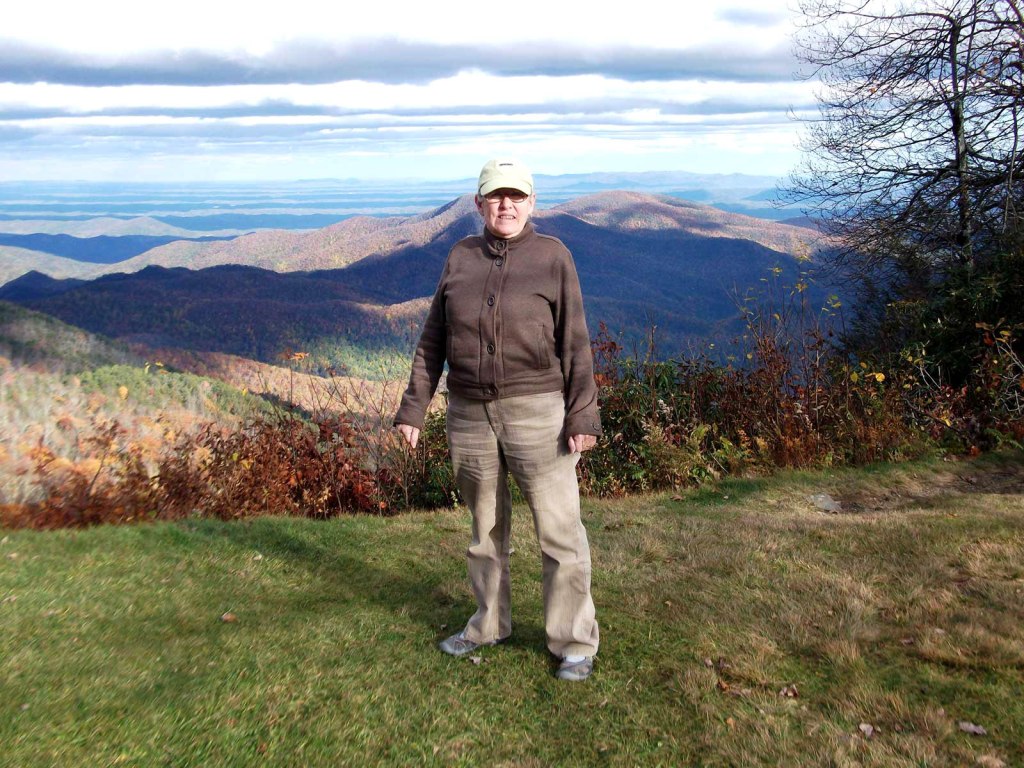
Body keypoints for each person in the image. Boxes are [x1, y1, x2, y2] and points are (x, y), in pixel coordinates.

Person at [393, 158, 603, 682]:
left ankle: (574, 643)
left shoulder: (553, 256)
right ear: (478, 203)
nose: (505, 205)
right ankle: (488, 625)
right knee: (484, 530)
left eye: (515, 196)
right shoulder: (460, 256)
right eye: (495, 196)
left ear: (532, 203)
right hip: (468, 414)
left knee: (559, 530)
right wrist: (414, 406)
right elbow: (433, 339)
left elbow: (575, 340)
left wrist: (583, 414)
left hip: (539, 413)